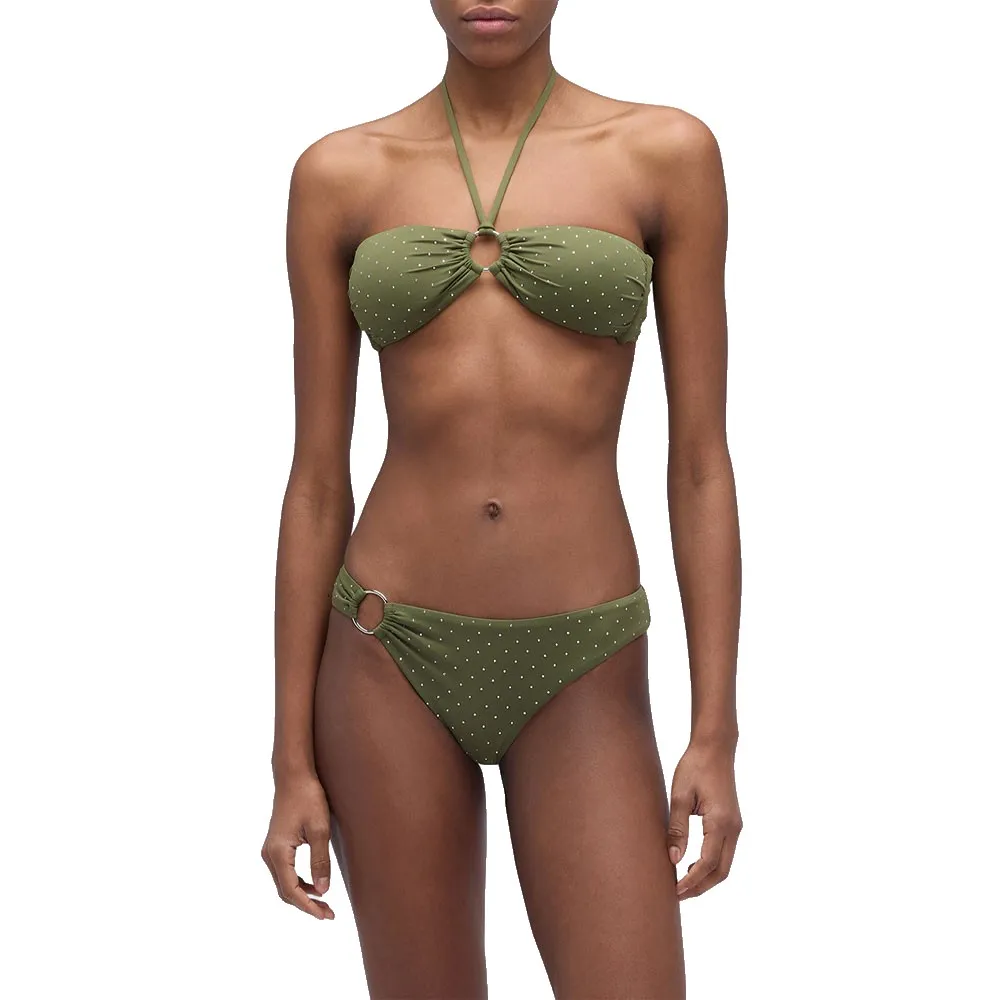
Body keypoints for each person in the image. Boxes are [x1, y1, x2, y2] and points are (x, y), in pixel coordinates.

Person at [261, 1, 741, 996]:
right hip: (386, 650)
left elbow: (700, 463)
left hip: (584, 658)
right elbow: (315, 481)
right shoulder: (339, 174)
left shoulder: (666, 154)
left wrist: (715, 731)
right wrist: (288, 760)